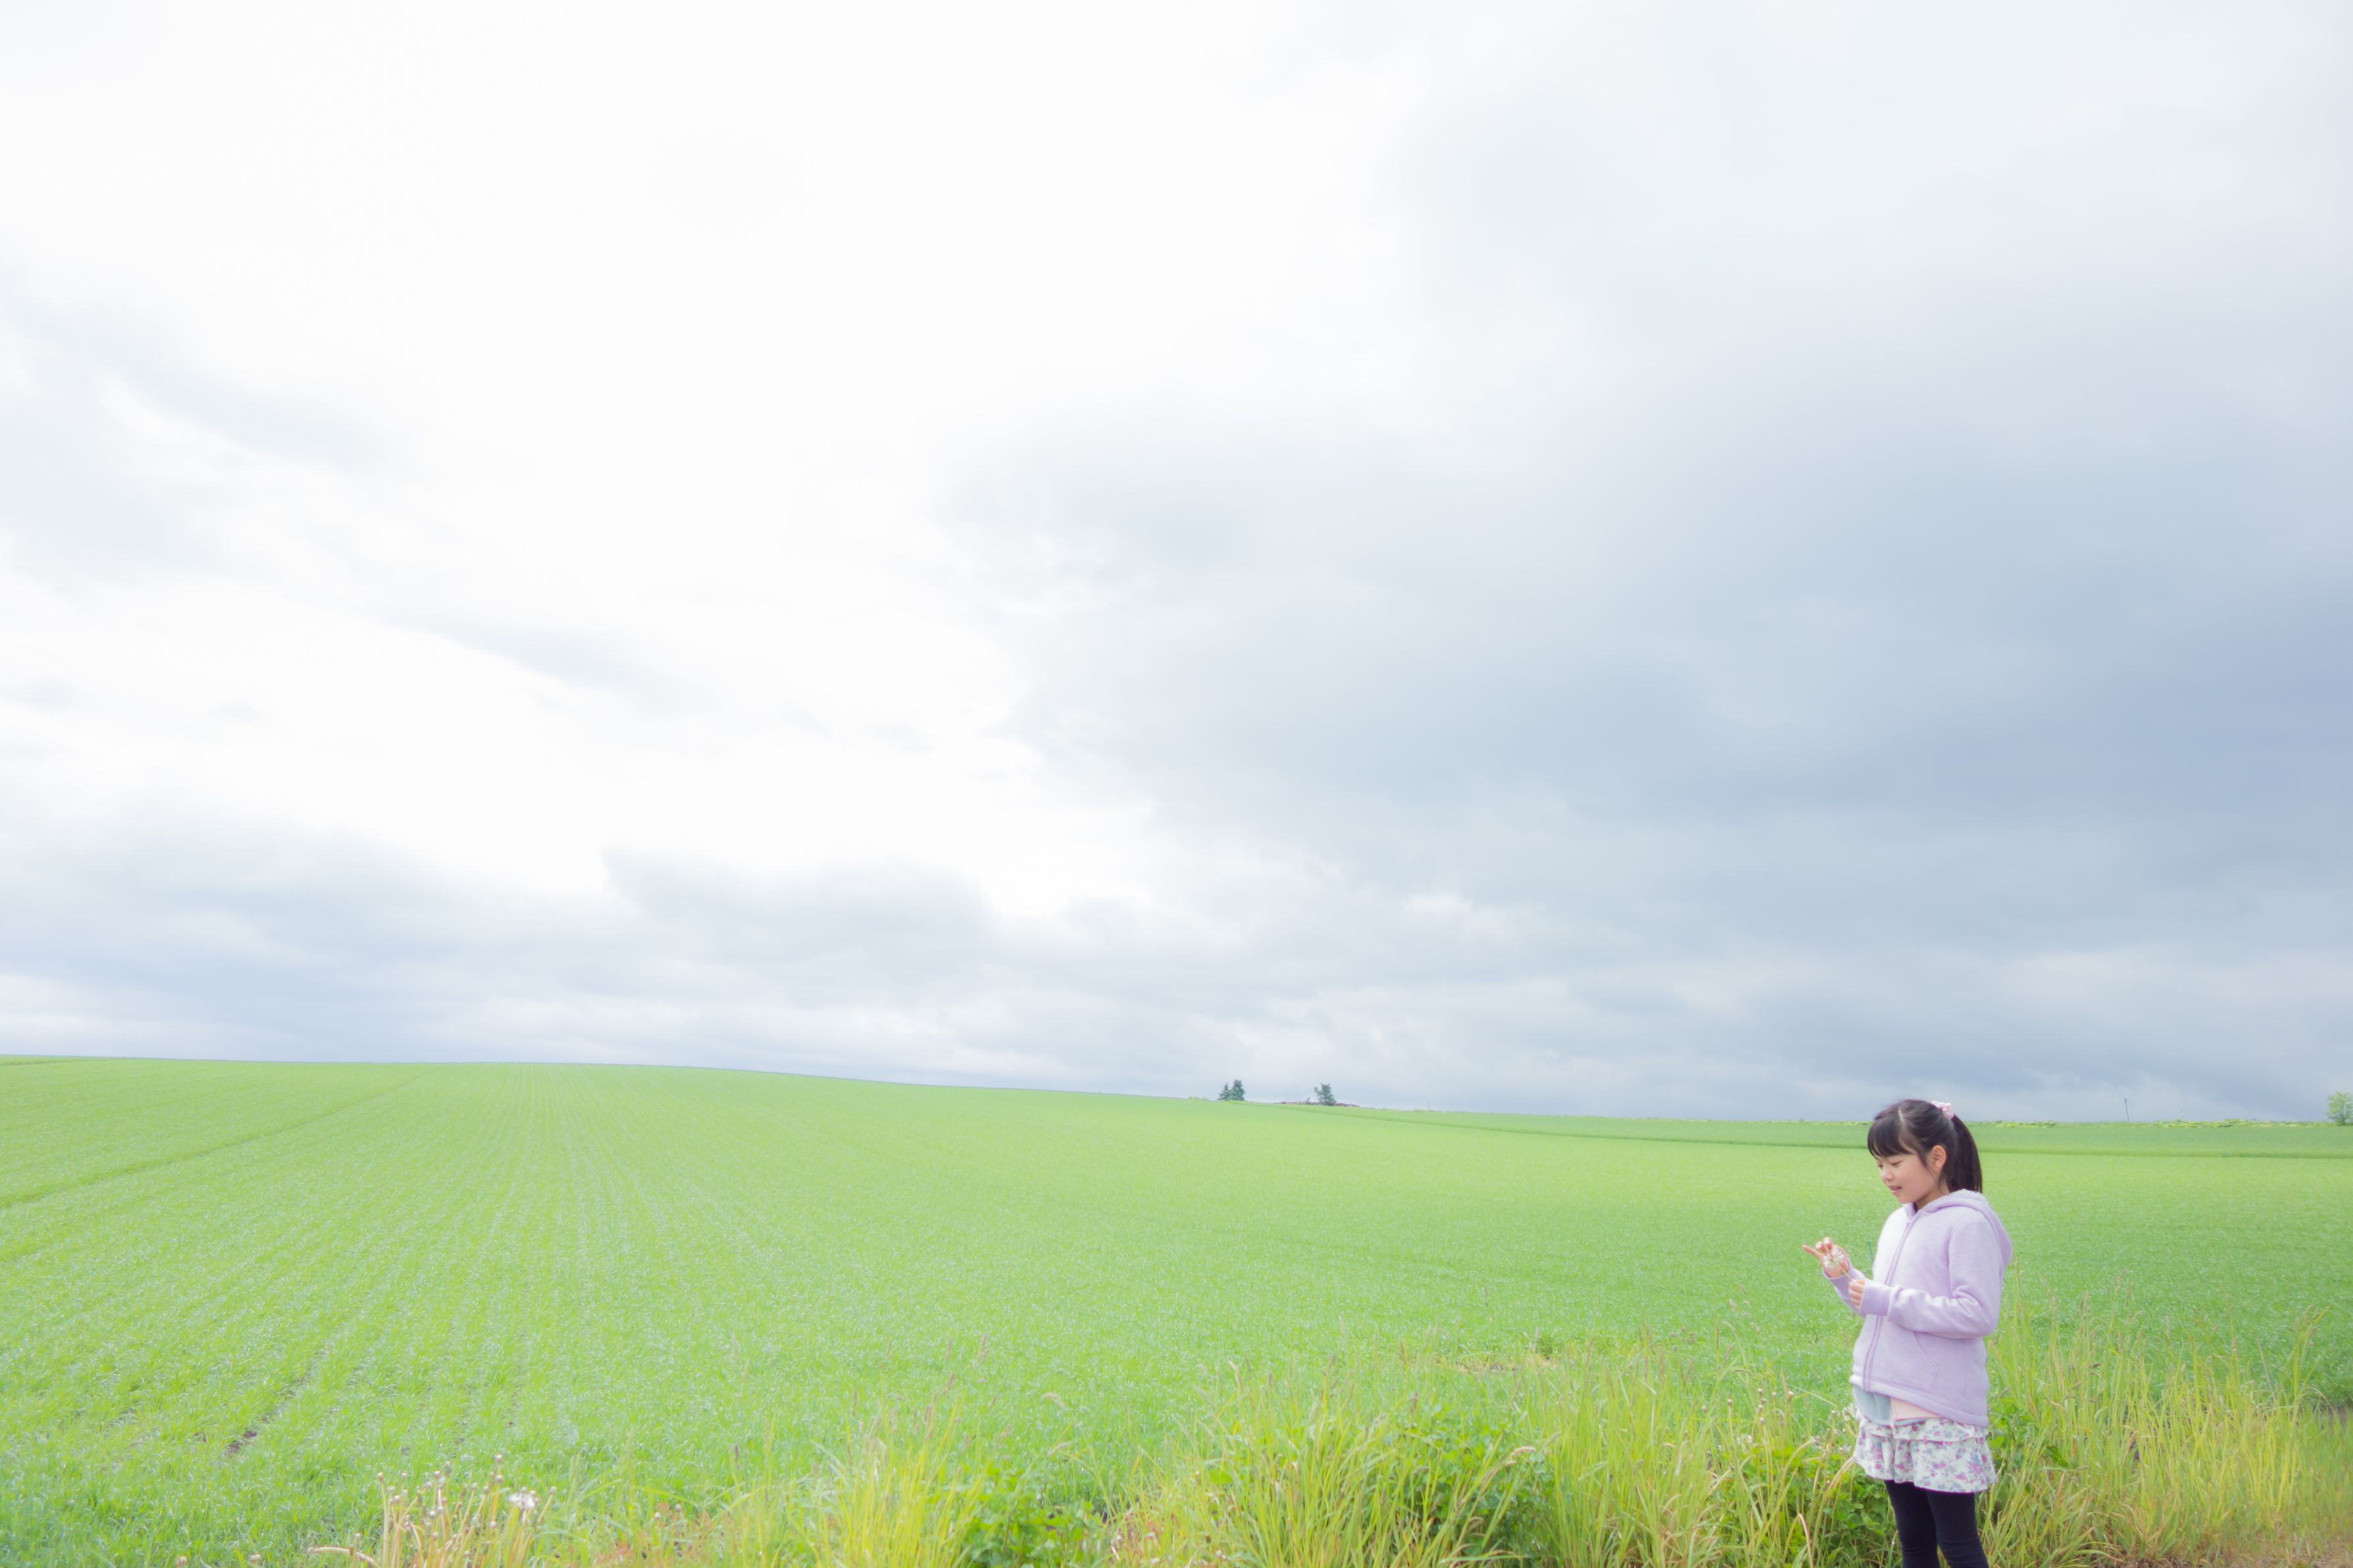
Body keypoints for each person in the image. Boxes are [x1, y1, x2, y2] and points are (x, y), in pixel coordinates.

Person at [1803, 1099, 2012, 1568]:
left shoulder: (1968, 1222)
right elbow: (1882, 1307)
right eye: (1879, 1164)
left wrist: (1886, 1298)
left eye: (1895, 1162)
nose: (1885, 1175)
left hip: (1939, 1411)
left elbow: (1978, 1314)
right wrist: (1844, 1276)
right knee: (1913, 1540)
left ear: (1936, 1157)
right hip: (1890, 1401)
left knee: (1958, 1545)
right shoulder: (1898, 1221)